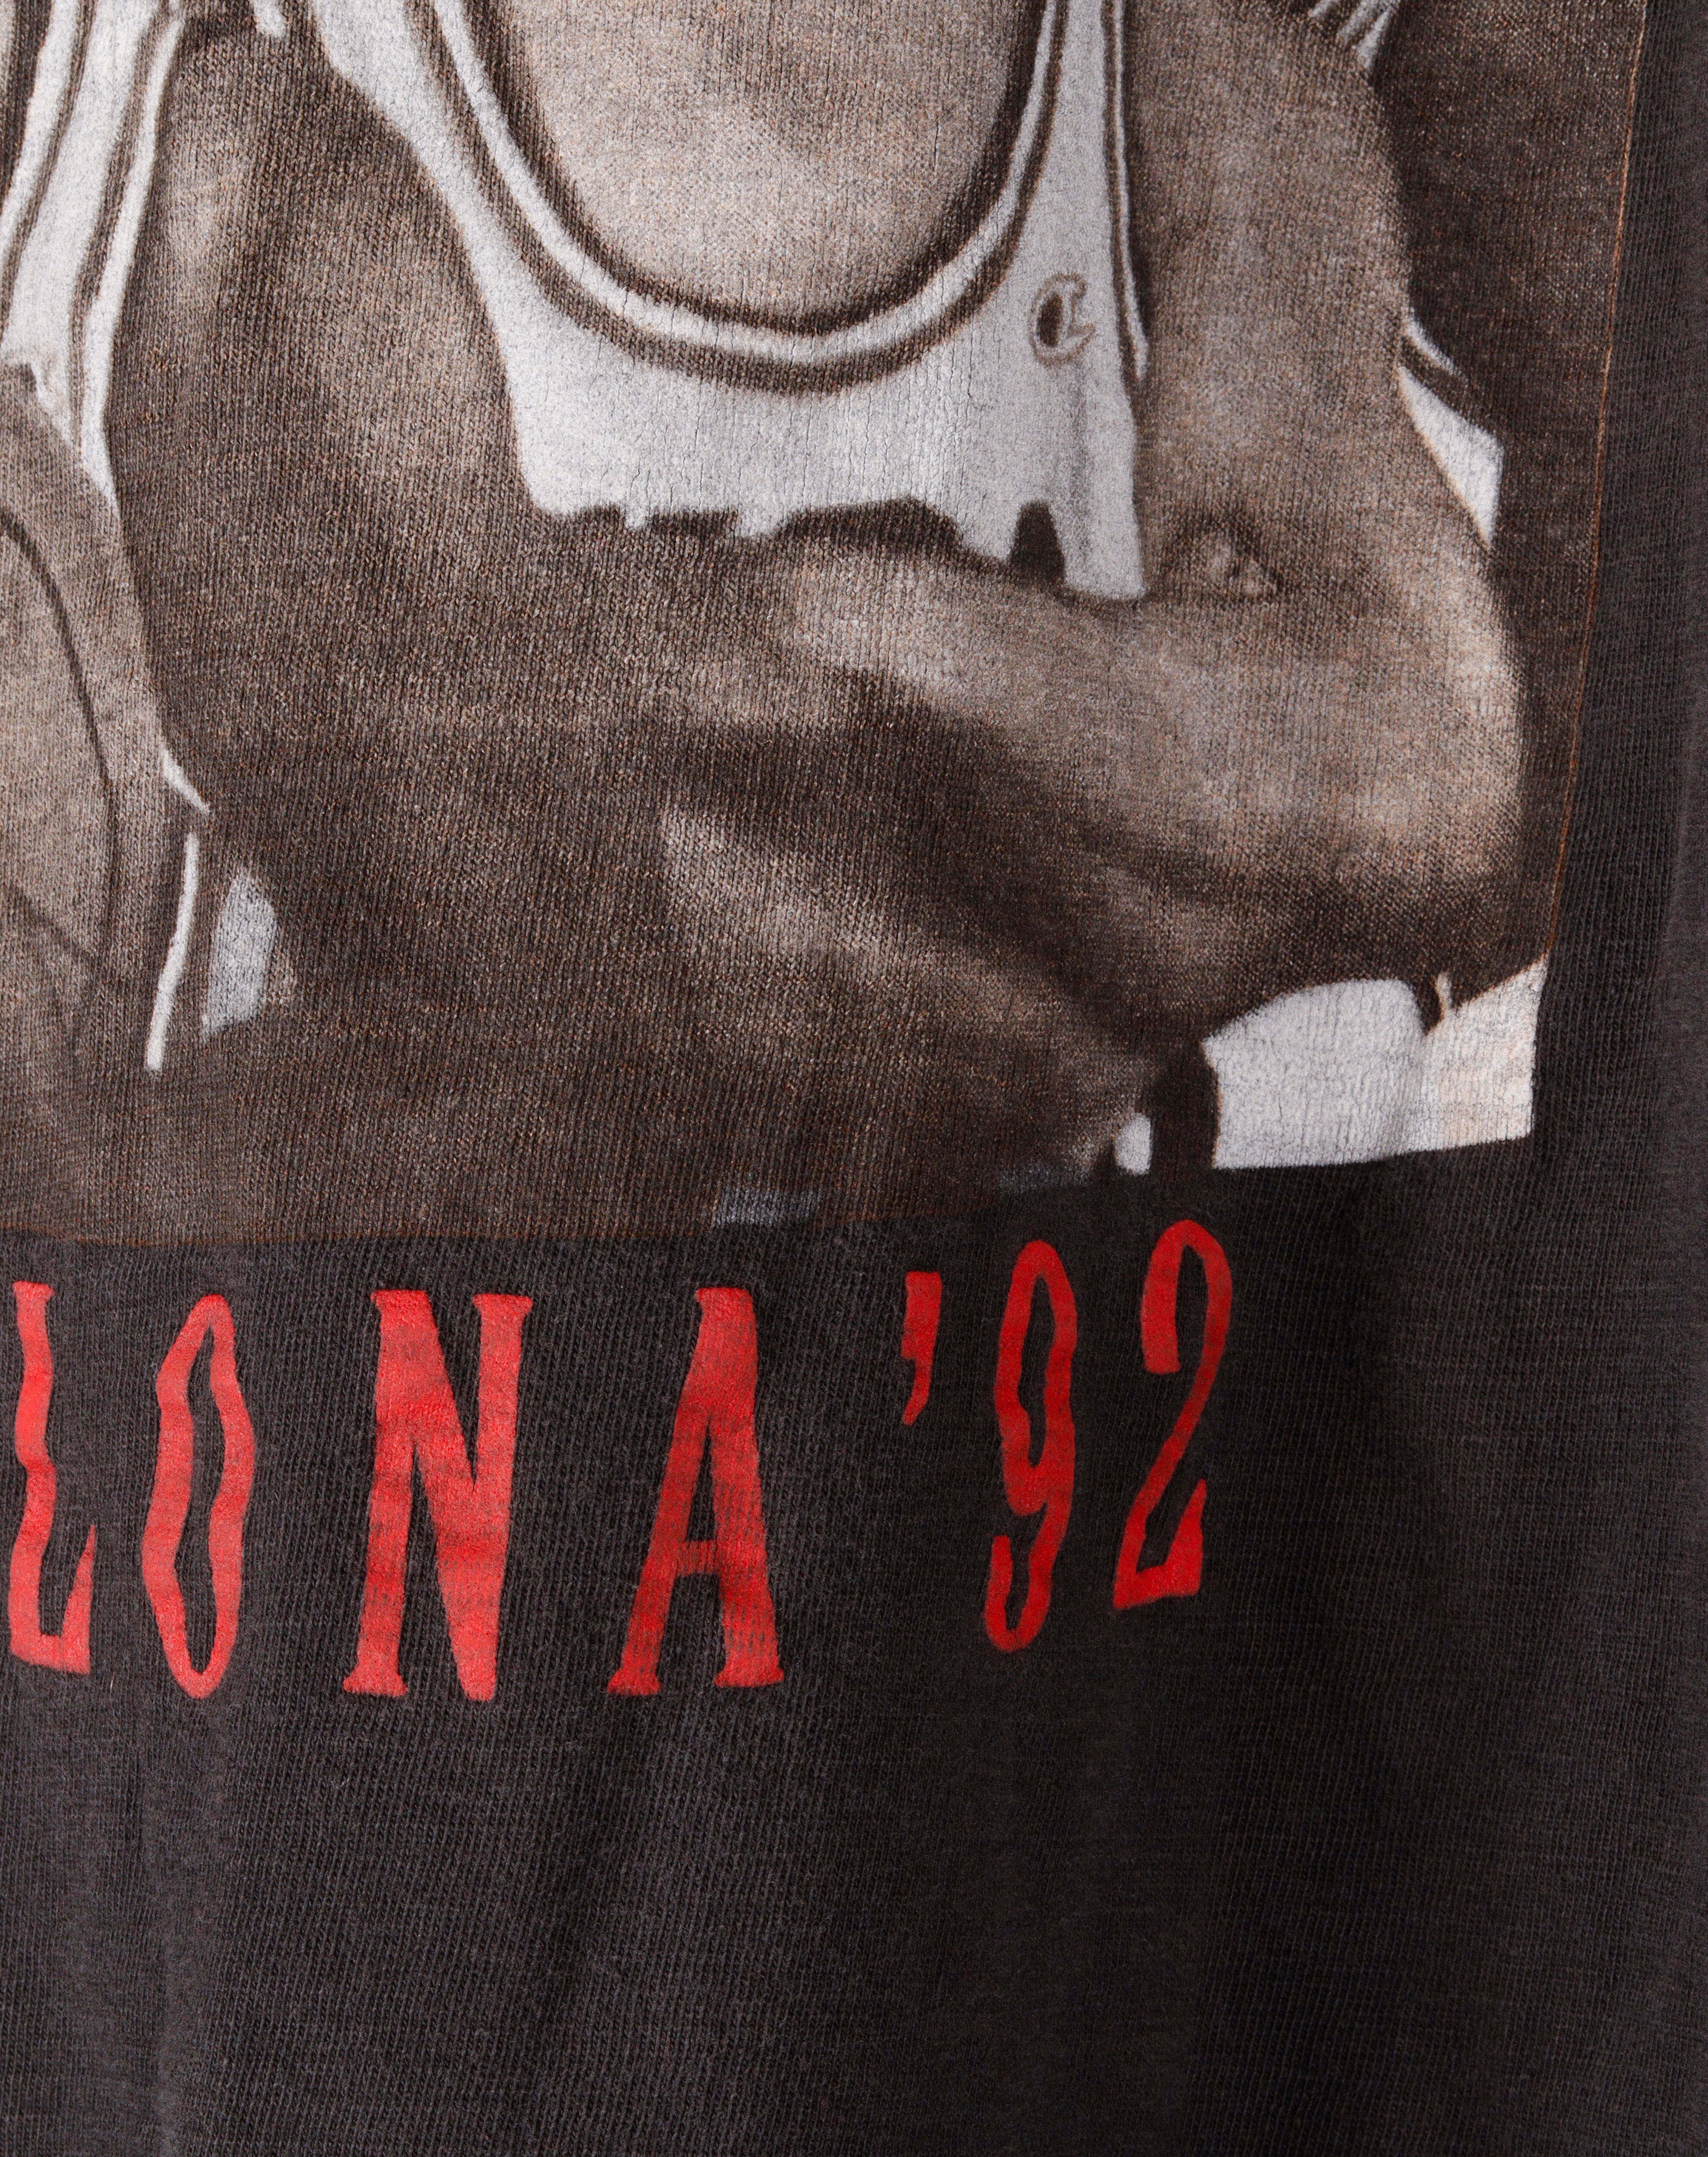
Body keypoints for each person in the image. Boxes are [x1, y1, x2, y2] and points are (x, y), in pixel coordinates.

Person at [0, 0, 1535, 1234]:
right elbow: (489, 927)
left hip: (1148, 1468)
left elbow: (1428, 786)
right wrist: (1087, 804)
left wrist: (630, 648)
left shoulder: (1209, 90)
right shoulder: (229, 140)